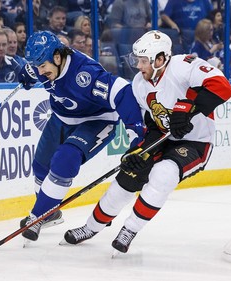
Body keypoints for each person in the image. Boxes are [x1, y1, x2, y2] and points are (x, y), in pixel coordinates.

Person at [63, 30, 231, 256]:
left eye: (144, 61)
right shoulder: (139, 84)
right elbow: (151, 126)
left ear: (160, 59)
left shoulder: (183, 65)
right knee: (126, 179)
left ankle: (129, 230)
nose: (139, 66)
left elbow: (223, 86)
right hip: (162, 138)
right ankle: (91, 227)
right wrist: (139, 150)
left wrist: (188, 108)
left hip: (195, 142)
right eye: (138, 60)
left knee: (164, 173)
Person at [17, 30, 145, 242]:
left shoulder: (86, 74)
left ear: (58, 57)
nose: (39, 71)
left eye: (42, 66)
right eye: (36, 66)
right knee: (40, 166)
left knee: (65, 159)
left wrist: (137, 132)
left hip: (97, 120)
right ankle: (50, 212)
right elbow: (32, 71)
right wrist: (26, 74)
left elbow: (122, 91)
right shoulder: (43, 63)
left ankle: (37, 216)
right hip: (62, 117)